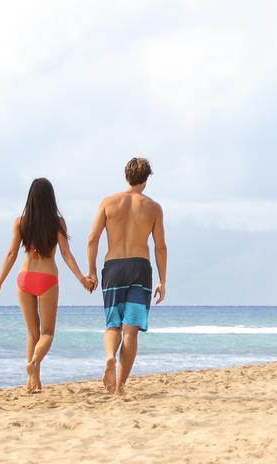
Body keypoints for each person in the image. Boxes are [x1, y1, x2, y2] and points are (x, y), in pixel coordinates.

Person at [0, 177, 95, 392]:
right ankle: (35, 363)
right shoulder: (57, 222)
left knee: (32, 333)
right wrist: (82, 279)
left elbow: (11, 254)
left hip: (24, 278)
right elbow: (66, 254)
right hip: (47, 279)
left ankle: (32, 381)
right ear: (50, 199)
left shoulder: (20, 222)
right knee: (47, 333)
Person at [86, 156, 168, 396]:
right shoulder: (153, 207)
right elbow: (160, 247)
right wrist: (162, 279)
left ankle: (110, 357)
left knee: (113, 324)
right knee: (130, 330)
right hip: (139, 268)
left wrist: (91, 271)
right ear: (146, 179)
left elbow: (92, 239)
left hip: (113, 266)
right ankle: (120, 386)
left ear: (126, 176)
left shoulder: (108, 202)